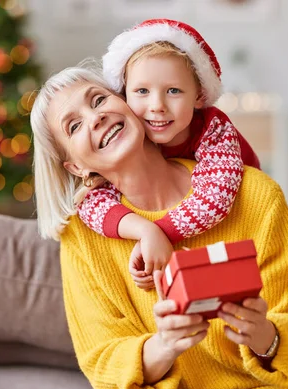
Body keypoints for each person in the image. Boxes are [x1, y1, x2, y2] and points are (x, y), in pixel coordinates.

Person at [30, 64, 288, 389]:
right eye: (75, 125)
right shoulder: (82, 237)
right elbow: (103, 364)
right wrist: (165, 345)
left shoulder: (256, 196)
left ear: (130, 104)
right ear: (76, 167)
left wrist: (264, 334)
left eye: (98, 101)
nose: (96, 118)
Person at [77, 19, 262, 288]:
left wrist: (159, 234)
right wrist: (144, 230)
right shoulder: (125, 141)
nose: (157, 106)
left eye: (173, 91)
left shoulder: (214, 129)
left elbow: (215, 199)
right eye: (142, 91)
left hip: (246, 216)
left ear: (198, 96)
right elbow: (92, 203)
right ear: (124, 94)